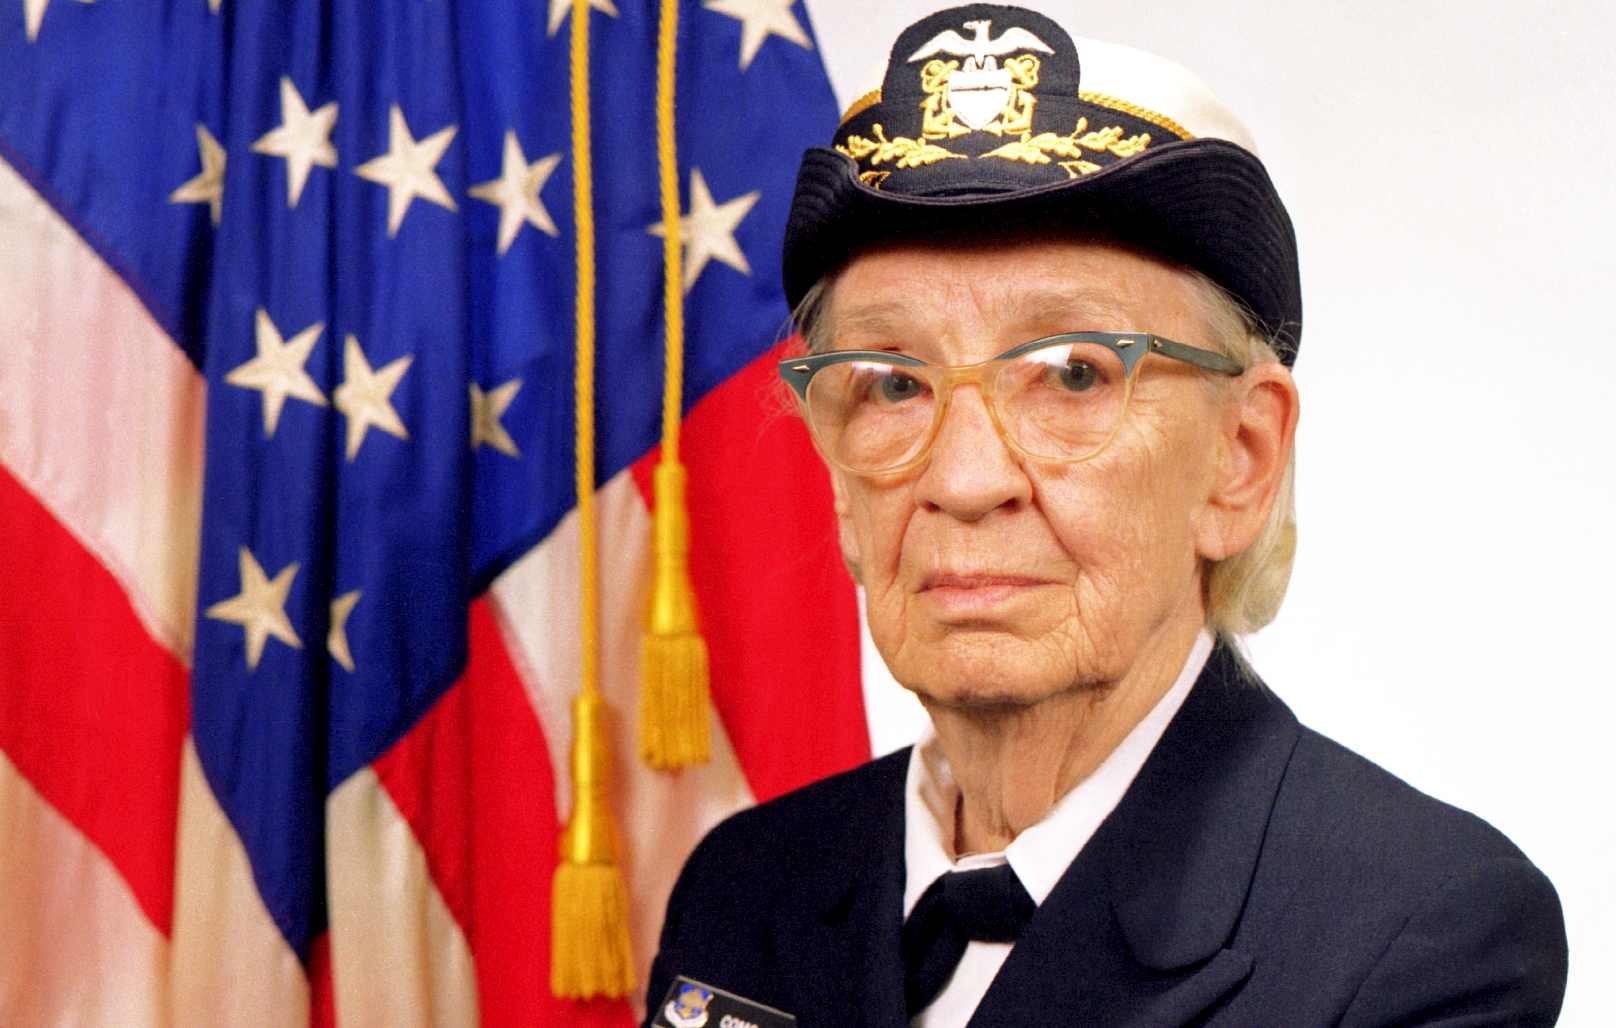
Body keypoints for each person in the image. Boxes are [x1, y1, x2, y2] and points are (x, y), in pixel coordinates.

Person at [645, 5, 1568, 1027]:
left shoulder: (1416, 938)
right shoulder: (744, 886)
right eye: (893, 383)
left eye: (1072, 372)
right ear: (841, 489)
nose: (963, 478)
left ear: (1239, 460)